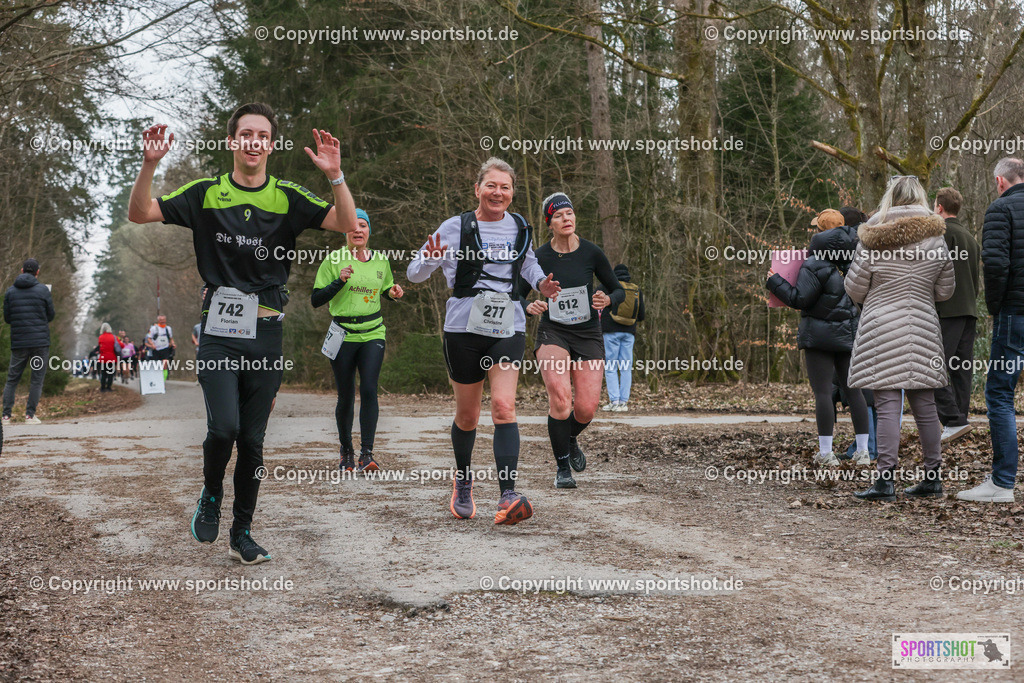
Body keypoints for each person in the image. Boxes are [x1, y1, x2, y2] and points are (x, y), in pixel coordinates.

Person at [127, 102, 358, 563]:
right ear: (233, 142)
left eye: (263, 136)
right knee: (225, 428)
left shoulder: (288, 196)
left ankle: (242, 532)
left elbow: (349, 225)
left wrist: (335, 175)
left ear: (270, 146)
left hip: (267, 332)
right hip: (219, 330)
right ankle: (211, 493)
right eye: (246, 134)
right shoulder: (205, 193)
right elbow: (140, 213)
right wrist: (150, 165)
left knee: (253, 440)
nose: (254, 142)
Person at [406, 157, 560, 525]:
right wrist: (430, 258)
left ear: (512, 193)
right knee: (468, 414)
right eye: (491, 185)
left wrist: (541, 283)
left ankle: (508, 494)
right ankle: (462, 480)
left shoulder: (521, 226)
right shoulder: (454, 227)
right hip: (463, 329)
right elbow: (414, 274)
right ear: (477, 189)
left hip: (507, 326)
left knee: (505, 407)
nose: (498, 192)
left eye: (505, 187)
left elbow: (528, 265)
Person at [845, 176, 954, 501]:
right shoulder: (936, 238)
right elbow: (946, 290)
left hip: (880, 329)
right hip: (922, 326)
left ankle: (885, 482)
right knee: (926, 405)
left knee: (888, 404)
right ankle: (933, 477)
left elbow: (854, 288)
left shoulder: (872, 237)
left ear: (890, 197)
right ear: (921, 198)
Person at [519, 192, 623, 489]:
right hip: (554, 331)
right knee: (561, 398)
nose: (567, 219)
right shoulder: (538, 256)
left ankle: (571, 436)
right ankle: (562, 467)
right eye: (559, 216)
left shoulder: (591, 252)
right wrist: (529, 305)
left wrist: (607, 299)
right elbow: (517, 292)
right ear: (549, 223)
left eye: (570, 214)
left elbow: (618, 290)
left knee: (587, 408)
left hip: (588, 332)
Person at [767, 209, 872, 466]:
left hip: (819, 337)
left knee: (823, 393)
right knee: (855, 392)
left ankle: (826, 454)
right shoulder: (858, 260)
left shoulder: (814, 263)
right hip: (849, 333)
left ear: (821, 231)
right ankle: (864, 452)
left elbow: (799, 299)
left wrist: (775, 281)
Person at [312, 208, 402, 472]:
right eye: (353, 226)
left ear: (369, 231)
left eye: (363, 225)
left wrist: (393, 292)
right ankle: (346, 452)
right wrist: (339, 281)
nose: (358, 230)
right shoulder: (333, 259)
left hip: (373, 332)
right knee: (346, 395)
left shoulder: (381, 261)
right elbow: (316, 299)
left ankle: (367, 453)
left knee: (370, 389)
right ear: (345, 232)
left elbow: (386, 288)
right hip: (342, 334)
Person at [960, 157, 1024, 503]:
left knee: (1000, 393)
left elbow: (996, 264)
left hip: (1015, 314)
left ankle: (1002, 483)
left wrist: (996, 308)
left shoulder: (1001, 209)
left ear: (1000, 181)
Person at [929, 187, 980, 442]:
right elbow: (975, 280)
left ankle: (953, 420)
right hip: (969, 311)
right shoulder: (971, 238)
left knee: (932, 367)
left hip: (946, 311)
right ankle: (959, 420)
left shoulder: (941, 234)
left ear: (939, 207)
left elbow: (933, 274)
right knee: (961, 369)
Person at [3, 258, 55, 425]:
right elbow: (51, 315)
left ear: (21, 270)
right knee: (36, 379)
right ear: (37, 272)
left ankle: (5, 416)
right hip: (40, 343)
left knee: (12, 379)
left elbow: (8, 318)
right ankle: (30, 416)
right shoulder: (43, 291)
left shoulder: (10, 291)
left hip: (19, 342)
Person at [599, 264, 644, 412]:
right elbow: (641, 316)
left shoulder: (608, 286)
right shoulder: (636, 289)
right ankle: (624, 403)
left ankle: (614, 401)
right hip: (629, 333)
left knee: (611, 366)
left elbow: (593, 300)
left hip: (610, 332)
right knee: (625, 367)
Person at [93, 323, 122, 392]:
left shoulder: (100, 337)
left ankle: (103, 388)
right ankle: (109, 387)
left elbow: (100, 347)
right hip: (112, 357)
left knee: (103, 373)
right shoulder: (114, 337)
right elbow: (121, 346)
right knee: (110, 374)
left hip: (103, 358)